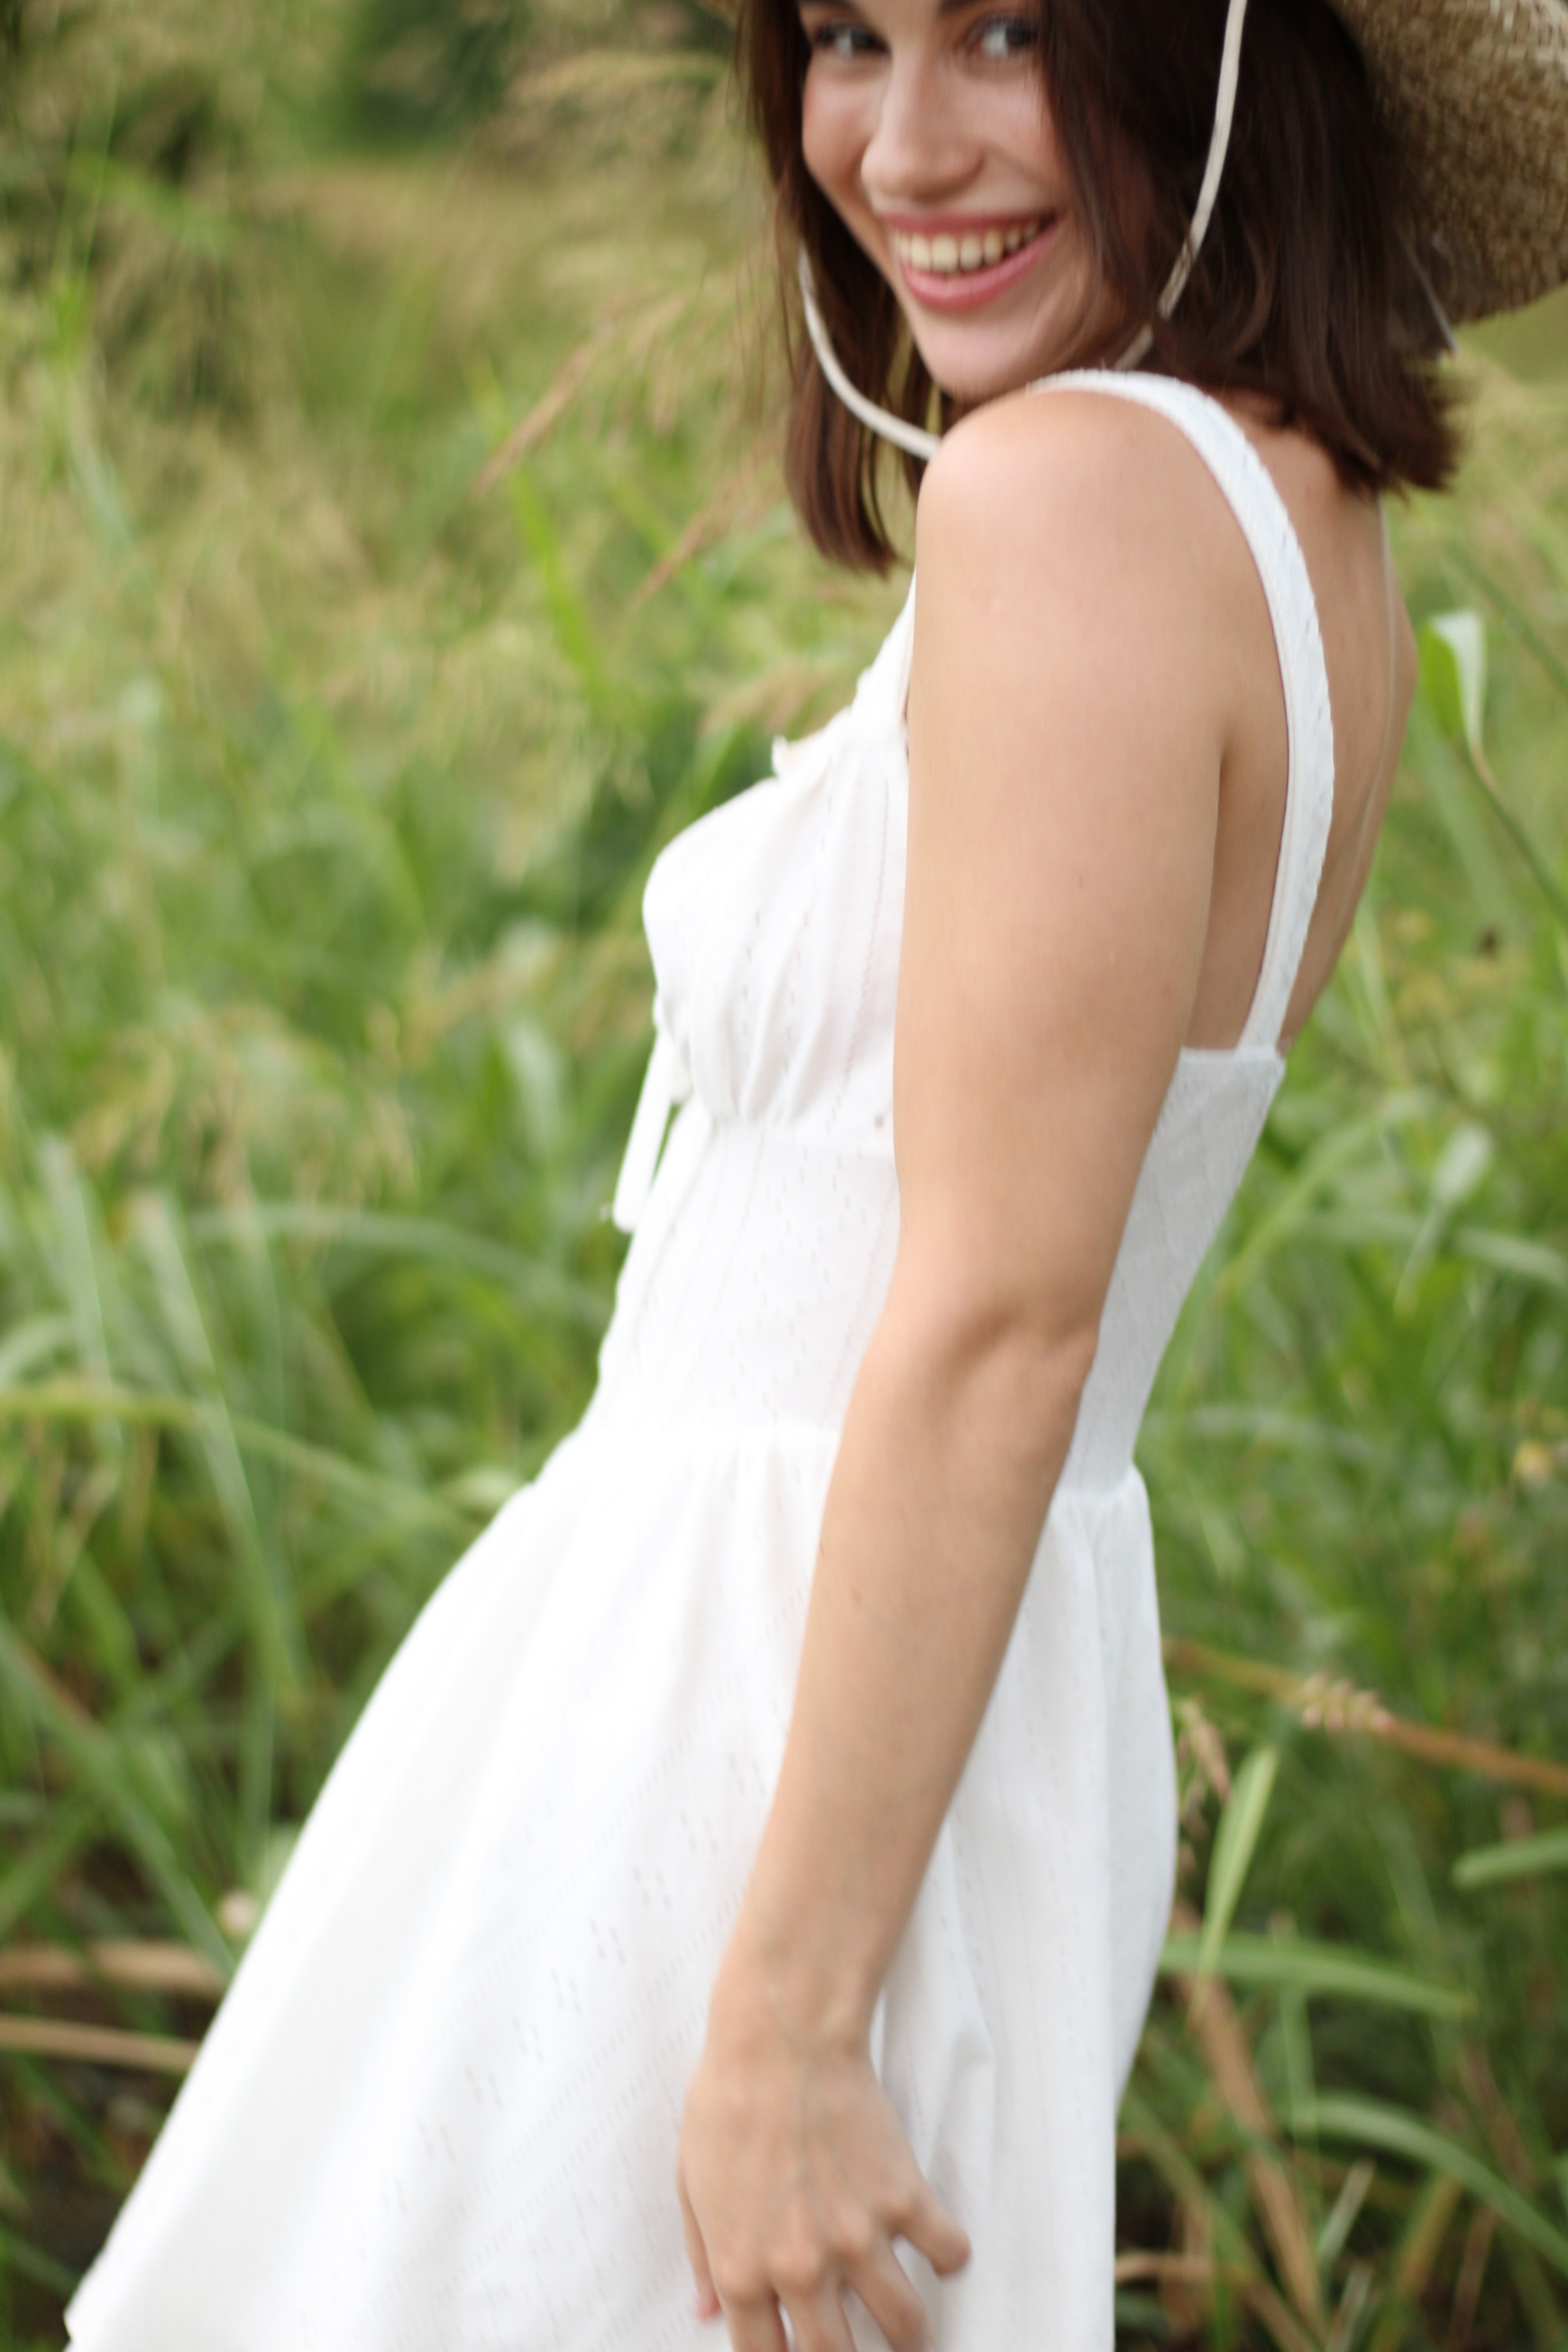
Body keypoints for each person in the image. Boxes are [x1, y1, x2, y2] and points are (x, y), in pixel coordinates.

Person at [65, 0, 1568, 2346]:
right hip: (906, 1710)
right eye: (850, 34)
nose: (902, 139)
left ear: (1211, 60)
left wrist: (781, 2019)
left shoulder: (1070, 499)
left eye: (1006, 32)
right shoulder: (1283, 511)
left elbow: (997, 1321)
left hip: (768, 1731)